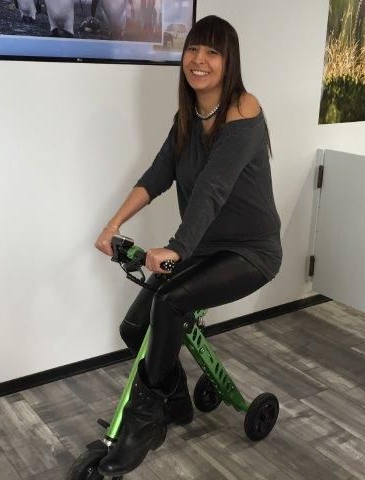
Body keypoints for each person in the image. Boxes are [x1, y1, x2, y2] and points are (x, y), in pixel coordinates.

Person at [93, 15, 282, 477]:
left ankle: (145, 423)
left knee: (170, 303)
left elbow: (212, 189)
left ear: (230, 61)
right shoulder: (187, 117)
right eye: (193, 49)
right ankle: (174, 402)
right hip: (202, 244)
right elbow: (157, 175)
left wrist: (177, 248)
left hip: (250, 251)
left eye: (213, 52)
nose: (199, 60)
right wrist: (113, 224)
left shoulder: (244, 110)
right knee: (134, 328)